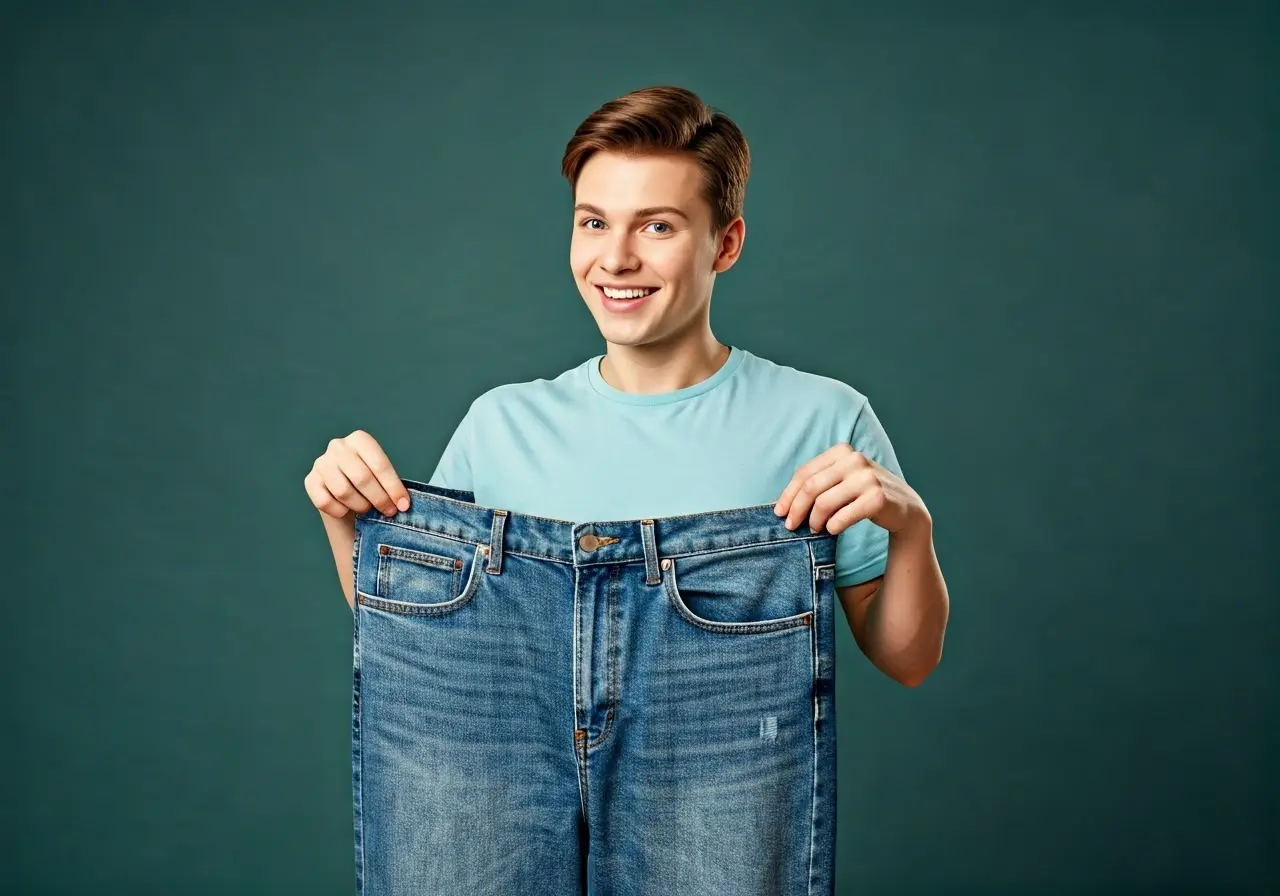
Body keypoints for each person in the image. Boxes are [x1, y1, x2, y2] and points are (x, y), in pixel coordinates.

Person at [305, 84, 948, 688]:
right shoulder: (498, 425)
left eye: (657, 226)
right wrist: (344, 518)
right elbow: (424, 649)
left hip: (725, 793)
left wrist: (910, 527)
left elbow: (907, 661)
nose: (615, 259)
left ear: (725, 244)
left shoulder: (823, 419)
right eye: (593, 222)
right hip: (518, 796)